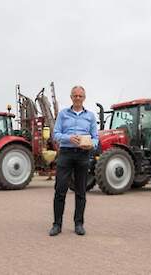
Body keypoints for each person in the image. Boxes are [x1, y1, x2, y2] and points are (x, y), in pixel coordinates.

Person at [49, 86, 98, 236]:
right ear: (71, 97)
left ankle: (79, 223)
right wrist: (68, 138)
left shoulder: (90, 116)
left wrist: (91, 144)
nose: (77, 98)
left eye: (80, 96)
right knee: (60, 189)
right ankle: (57, 224)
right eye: (75, 96)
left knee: (81, 191)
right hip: (66, 154)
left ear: (84, 98)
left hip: (83, 155)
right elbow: (56, 134)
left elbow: (96, 137)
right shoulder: (63, 114)